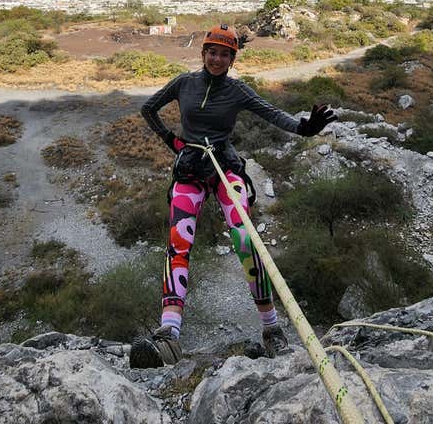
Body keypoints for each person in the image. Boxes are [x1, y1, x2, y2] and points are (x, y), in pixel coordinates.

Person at [130, 24, 337, 368]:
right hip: (191, 168)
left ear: (232, 59)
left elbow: (270, 112)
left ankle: (271, 328)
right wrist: (172, 141)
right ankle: (169, 334)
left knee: (245, 239)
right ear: (203, 53)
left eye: (224, 54)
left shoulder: (238, 91)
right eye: (212, 51)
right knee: (178, 242)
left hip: (225, 166)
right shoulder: (184, 83)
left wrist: (303, 128)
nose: (217, 58)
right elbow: (149, 108)